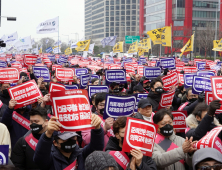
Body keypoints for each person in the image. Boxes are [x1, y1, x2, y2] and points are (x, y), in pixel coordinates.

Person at [33, 114, 104, 170]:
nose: (70, 140)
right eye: (65, 138)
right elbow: (40, 158)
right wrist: (48, 134)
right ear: (55, 143)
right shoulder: (50, 160)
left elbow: (97, 147)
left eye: (73, 137)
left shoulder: (82, 154)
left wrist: (97, 128)